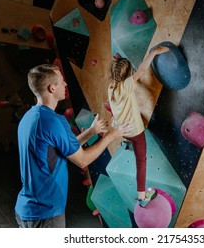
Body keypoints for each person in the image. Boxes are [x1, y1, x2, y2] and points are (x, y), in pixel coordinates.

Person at [15, 64, 132, 228]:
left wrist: (92, 131)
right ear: (52, 88)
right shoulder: (54, 121)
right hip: (45, 212)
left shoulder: (30, 118)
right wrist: (112, 134)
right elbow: (82, 160)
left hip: (25, 209)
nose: (65, 84)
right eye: (62, 81)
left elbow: (63, 149)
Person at [108, 45, 169, 207]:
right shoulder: (127, 85)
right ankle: (142, 196)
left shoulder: (111, 88)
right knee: (141, 161)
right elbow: (141, 69)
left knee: (130, 133)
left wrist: (119, 62)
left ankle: (126, 142)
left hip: (123, 130)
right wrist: (154, 53)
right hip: (135, 132)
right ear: (127, 75)